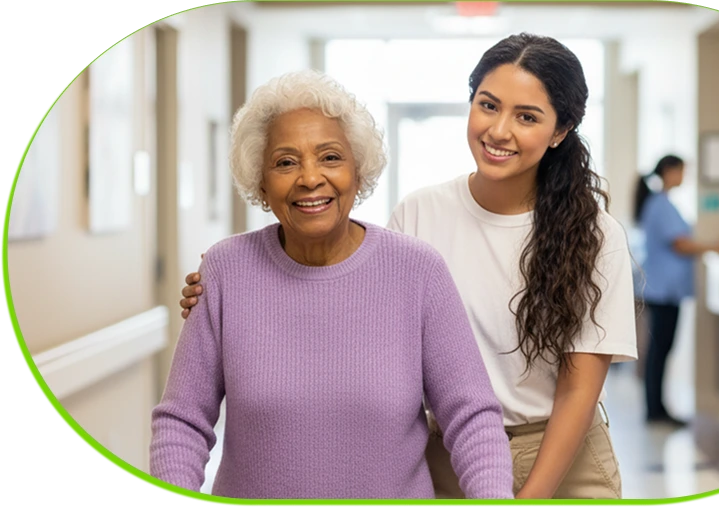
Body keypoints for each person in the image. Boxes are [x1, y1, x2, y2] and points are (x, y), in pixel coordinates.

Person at [179, 33, 638, 499]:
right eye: (488, 105)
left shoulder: (596, 235)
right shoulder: (421, 213)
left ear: (561, 130)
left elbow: (578, 392)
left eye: (527, 117)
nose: (500, 130)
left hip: (562, 454)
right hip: (450, 454)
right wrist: (228, 291)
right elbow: (354, 297)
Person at [149, 69, 515, 500]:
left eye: (330, 157)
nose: (309, 178)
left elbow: (472, 417)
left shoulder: (418, 271)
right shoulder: (226, 270)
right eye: (286, 162)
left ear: (358, 175)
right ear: (261, 185)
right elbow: (182, 423)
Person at [633, 154, 719, 426]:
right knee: (660, 350)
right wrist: (716, 246)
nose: (683, 177)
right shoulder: (661, 204)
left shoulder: (660, 202)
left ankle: (657, 408)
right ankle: (655, 410)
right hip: (663, 290)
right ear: (668, 171)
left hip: (664, 289)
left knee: (661, 350)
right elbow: (680, 244)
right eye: (681, 172)